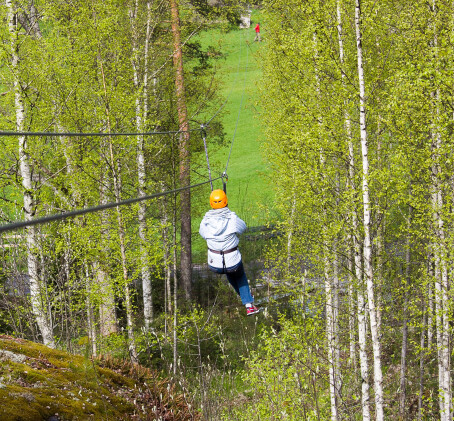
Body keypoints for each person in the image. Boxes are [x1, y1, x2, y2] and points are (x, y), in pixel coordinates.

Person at [199, 189, 260, 316]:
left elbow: (203, 234)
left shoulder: (205, 221)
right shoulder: (232, 219)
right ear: (226, 202)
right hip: (232, 262)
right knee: (239, 275)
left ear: (211, 203)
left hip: (215, 264)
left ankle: (247, 300)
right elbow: (243, 227)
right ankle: (248, 304)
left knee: (229, 272)